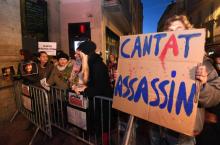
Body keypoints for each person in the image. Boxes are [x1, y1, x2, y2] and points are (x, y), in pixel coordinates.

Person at [148, 15, 220, 145]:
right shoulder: (157, 61)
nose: (174, 34)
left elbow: (216, 94)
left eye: (179, 29)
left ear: (188, 32)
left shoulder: (202, 62)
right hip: (157, 127)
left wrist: (202, 86)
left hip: (182, 135)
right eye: (170, 30)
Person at [72, 40, 113, 145]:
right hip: (98, 102)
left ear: (85, 52)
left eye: (79, 53)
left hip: (103, 103)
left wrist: (84, 89)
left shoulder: (97, 65)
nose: (77, 55)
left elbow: (99, 88)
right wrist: (83, 87)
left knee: (104, 126)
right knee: (99, 125)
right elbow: (93, 84)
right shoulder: (91, 63)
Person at [196, 50, 220, 145]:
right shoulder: (215, 73)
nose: (219, 66)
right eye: (218, 63)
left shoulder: (211, 73)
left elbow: (214, 96)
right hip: (206, 131)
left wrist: (216, 119)